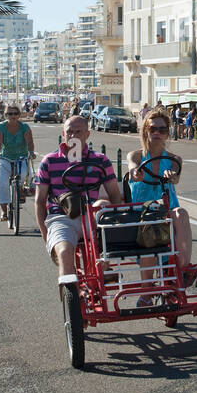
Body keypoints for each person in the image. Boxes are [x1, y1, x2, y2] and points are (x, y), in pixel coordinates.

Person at [35, 115, 123, 281]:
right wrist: (45, 234)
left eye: (78, 132)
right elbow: (40, 201)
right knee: (65, 253)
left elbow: (114, 194)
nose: (73, 136)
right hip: (61, 217)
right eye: (70, 132)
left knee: (103, 204)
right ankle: (72, 299)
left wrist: (115, 217)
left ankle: (104, 265)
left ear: (87, 134)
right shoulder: (49, 161)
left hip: (91, 215)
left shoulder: (100, 160)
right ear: (63, 133)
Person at [126, 111, 194, 281]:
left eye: (162, 130)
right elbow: (133, 169)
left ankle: (182, 269)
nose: (157, 133)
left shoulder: (174, 160)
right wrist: (136, 173)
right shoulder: (135, 156)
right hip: (141, 213)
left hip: (166, 211)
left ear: (167, 134)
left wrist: (171, 175)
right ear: (145, 131)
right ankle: (147, 290)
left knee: (181, 213)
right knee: (149, 222)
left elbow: (176, 178)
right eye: (153, 129)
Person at [0, 104, 36, 222]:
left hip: (21, 158)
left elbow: (30, 141)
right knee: (1, 181)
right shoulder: (1, 127)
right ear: (5, 115)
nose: (13, 116)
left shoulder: (24, 127)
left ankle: (20, 189)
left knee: (23, 175)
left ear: (19, 115)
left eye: (15, 113)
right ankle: (4, 210)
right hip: (5, 158)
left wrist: (31, 152)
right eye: (9, 114)